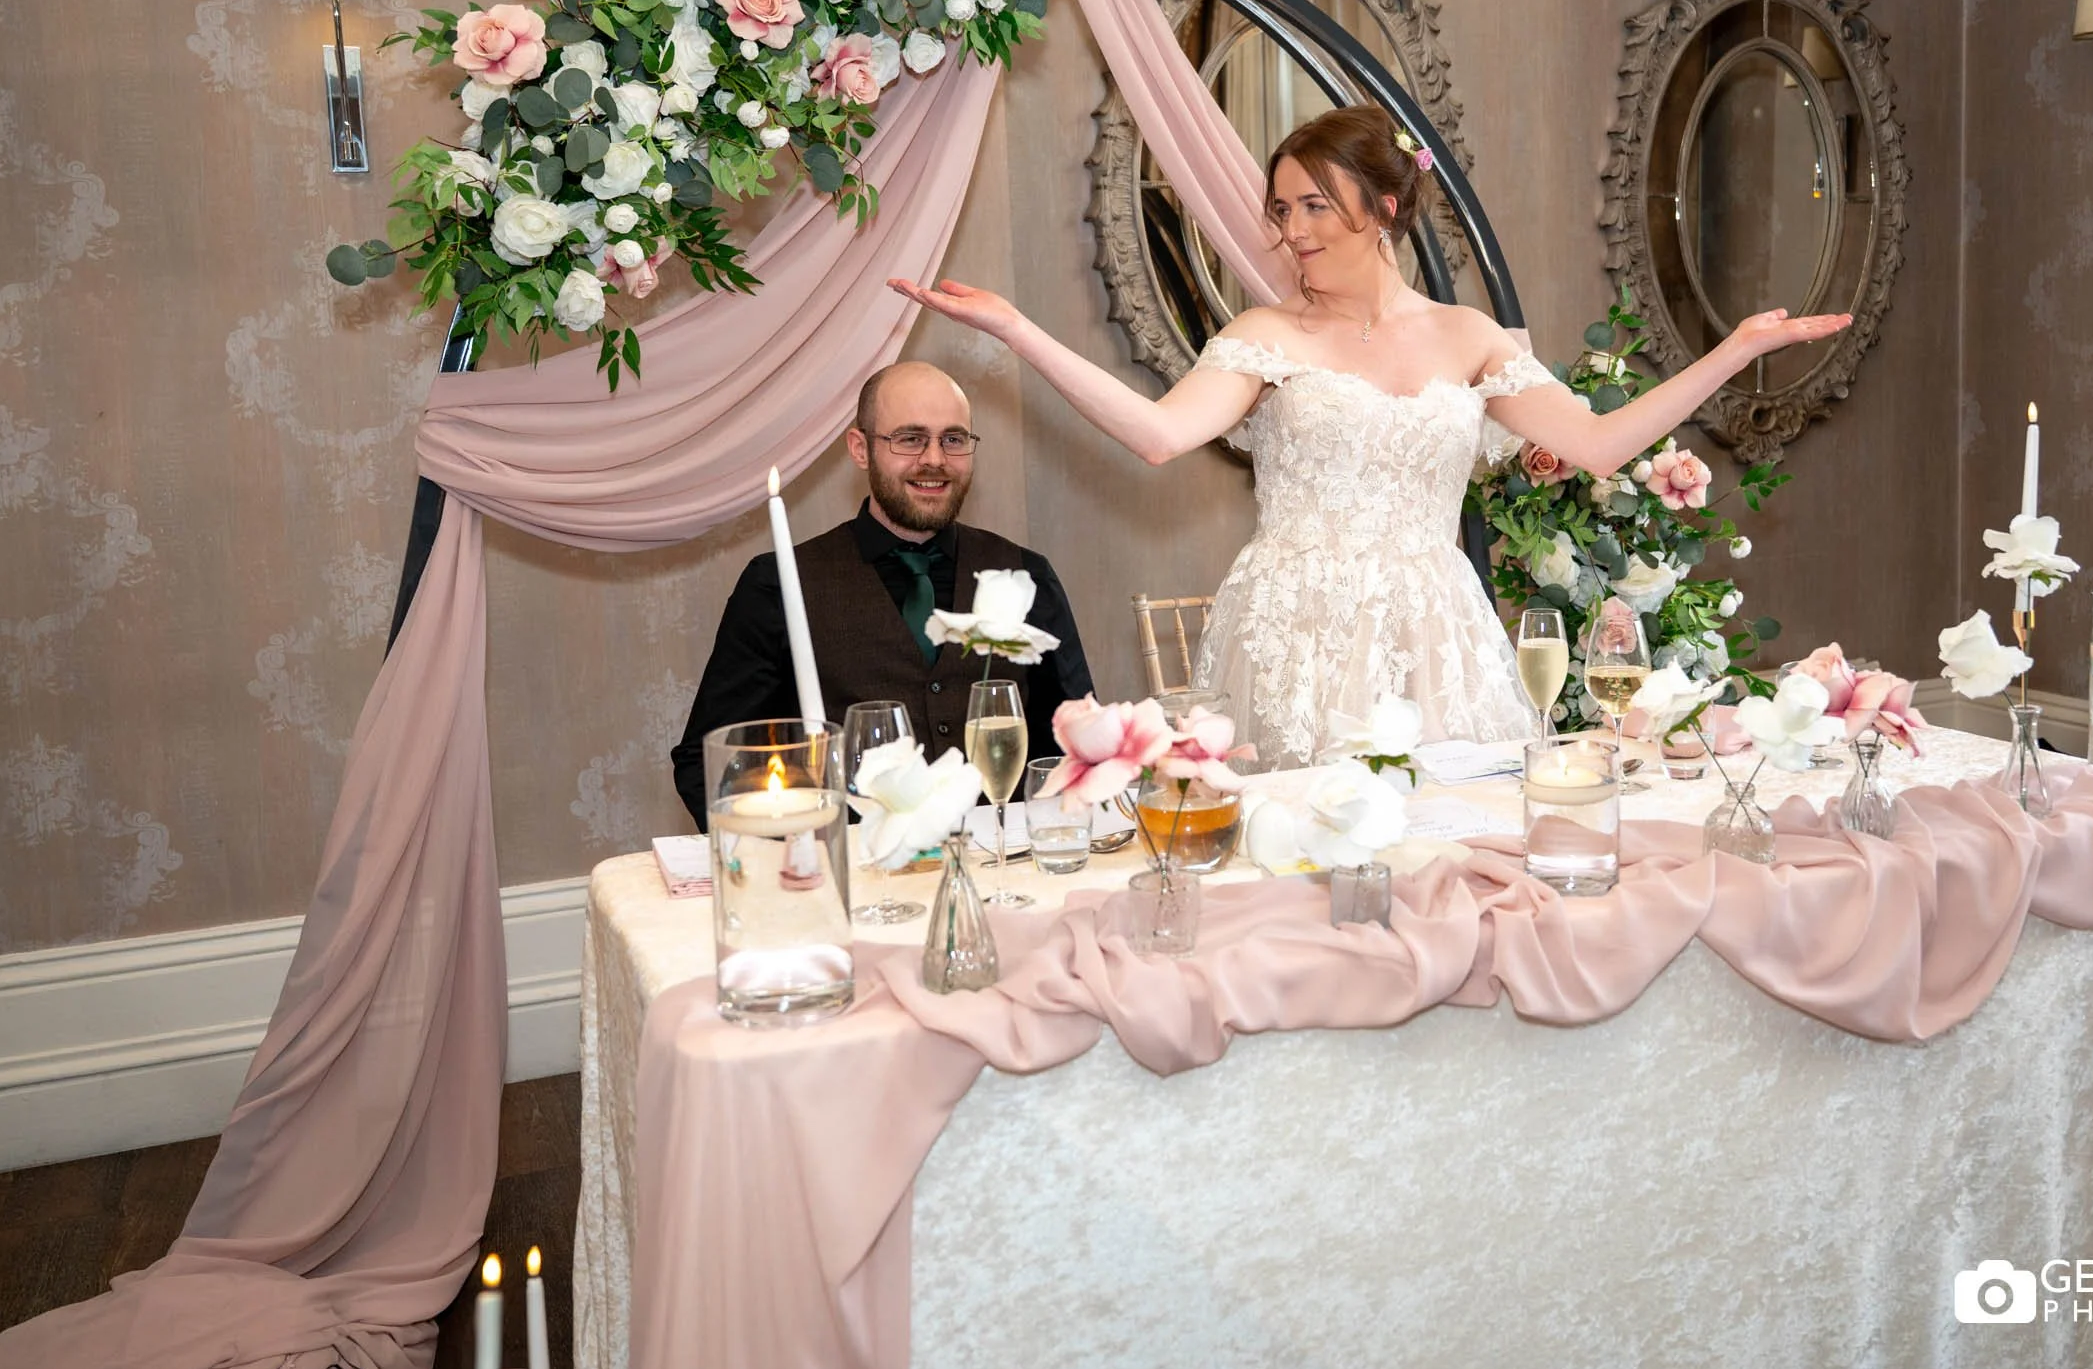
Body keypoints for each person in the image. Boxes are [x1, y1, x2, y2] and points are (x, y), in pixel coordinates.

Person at [892, 105, 1848, 769]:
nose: (1291, 231)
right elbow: (1155, 433)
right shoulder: (1264, 336)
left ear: (1384, 209)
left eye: (1316, 206)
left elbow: (1599, 444)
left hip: (1439, 631)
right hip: (1296, 630)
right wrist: (1018, 330)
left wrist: (1735, 349)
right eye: (1282, 209)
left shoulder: (1470, 335)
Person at [671, 360, 1095, 829]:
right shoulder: (776, 585)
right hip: (860, 886)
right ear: (860, 449)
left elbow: (1078, 744)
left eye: (952, 439)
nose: (934, 458)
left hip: (1003, 870)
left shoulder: (1025, 574)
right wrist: (798, 865)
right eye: (910, 438)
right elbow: (707, 763)